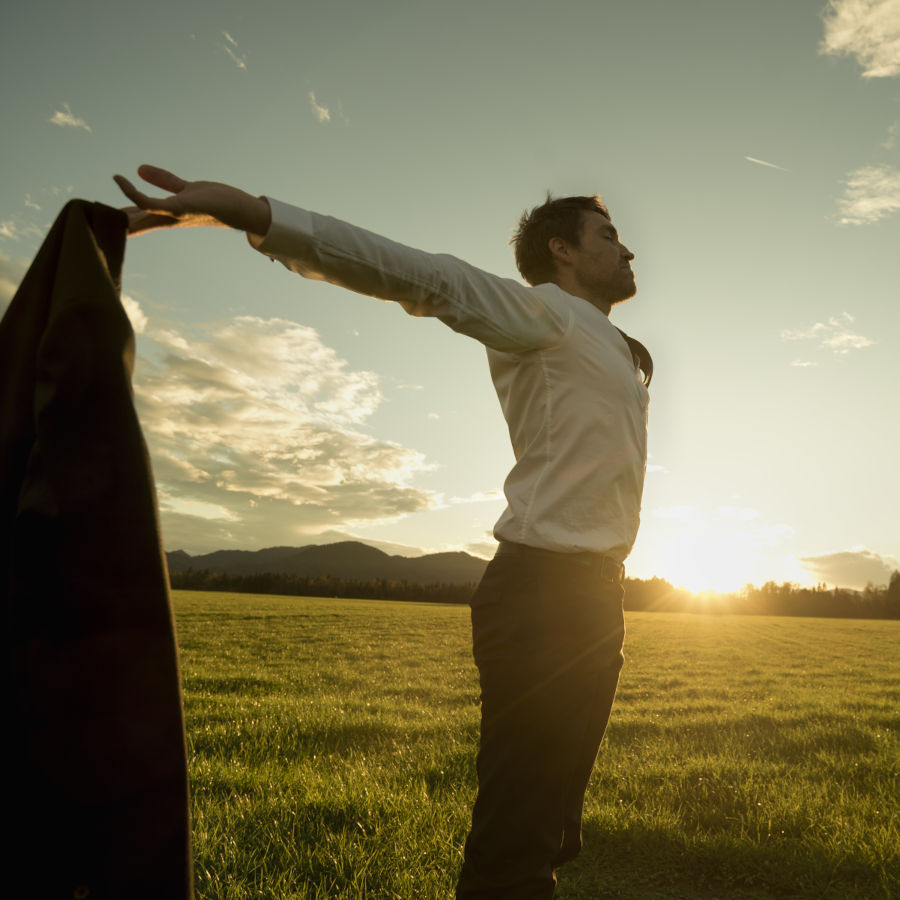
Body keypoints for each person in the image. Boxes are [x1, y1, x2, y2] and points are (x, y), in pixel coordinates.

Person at [114, 165, 652, 899]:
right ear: (560, 251)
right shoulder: (545, 313)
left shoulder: (610, 344)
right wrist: (253, 214)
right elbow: (423, 275)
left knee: (554, 824)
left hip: (595, 600)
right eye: (608, 235)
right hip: (543, 597)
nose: (628, 250)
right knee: (518, 831)